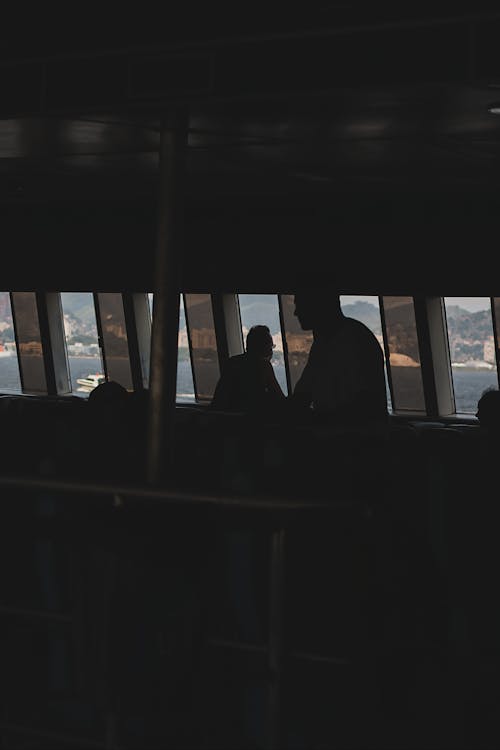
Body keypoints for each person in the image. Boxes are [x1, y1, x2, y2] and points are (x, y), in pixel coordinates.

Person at [290, 288, 388, 425]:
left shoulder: (342, 342)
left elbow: (361, 407)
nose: (296, 312)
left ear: (318, 305)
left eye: (300, 304)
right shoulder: (352, 338)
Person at [211, 324, 285, 414]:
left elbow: (218, 399)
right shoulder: (263, 366)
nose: (271, 351)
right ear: (263, 347)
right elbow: (279, 398)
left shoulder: (232, 363)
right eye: (270, 346)